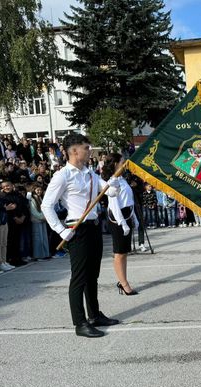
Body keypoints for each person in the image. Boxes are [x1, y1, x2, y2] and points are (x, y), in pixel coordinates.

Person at [41, 133, 121, 338]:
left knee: (92, 275)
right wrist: (61, 231)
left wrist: (114, 181)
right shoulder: (63, 175)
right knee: (79, 278)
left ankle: (94, 315)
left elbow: (110, 193)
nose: (89, 150)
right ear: (74, 150)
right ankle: (80, 322)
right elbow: (47, 205)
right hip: (77, 229)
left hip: (94, 227)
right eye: (86, 147)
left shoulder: (90, 173)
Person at [102, 153, 139, 296]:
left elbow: (128, 200)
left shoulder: (122, 179)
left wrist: (133, 218)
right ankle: (123, 284)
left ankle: (123, 280)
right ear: (116, 163)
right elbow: (114, 205)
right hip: (118, 218)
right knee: (119, 253)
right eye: (122, 161)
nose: (125, 164)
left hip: (127, 215)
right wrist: (123, 223)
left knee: (124, 253)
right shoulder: (112, 181)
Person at [29, 183, 50, 261]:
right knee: (37, 238)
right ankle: (38, 256)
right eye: (37, 190)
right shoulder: (32, 199)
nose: (39, 191)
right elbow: (33, 211)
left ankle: (45, 254)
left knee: (44, 238)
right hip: (36, 220)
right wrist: (43, 217)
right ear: (34, 190)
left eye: (40, 190)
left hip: (42, 220)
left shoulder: (40, 198)